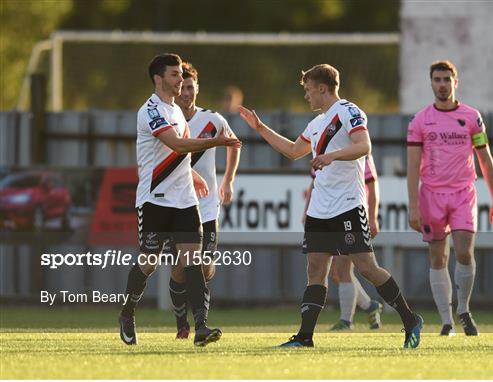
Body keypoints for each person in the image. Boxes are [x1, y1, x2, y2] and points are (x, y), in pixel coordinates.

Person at [239, 64, 423, 349]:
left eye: (308, 90)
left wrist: (332, 156)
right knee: (316, 270)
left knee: (367, 268)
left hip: (348, 205)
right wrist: (260, 127)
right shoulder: (316, 124)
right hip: (319, 210)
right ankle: (305, 337)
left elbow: (364, 147)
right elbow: (291, 150)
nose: (307, 96)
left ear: (322, 88)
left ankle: (410, 320)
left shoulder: (349, 112)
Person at [118, 53, 241, 347]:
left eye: (181, 75)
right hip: (155, 200)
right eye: (174, 75)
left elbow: (178, 155)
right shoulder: (150, 111)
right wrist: (216, 141)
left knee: (193, 261)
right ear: (159, 79)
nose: (180, 80)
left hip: (185, 201)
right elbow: (176, 144)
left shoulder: (175, 110)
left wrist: (194, 176)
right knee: (148, 263)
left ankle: (201, 328)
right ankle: (127, 312)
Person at [407, 60, 493, 336]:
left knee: (464, 252)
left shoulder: (472, 117)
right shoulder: (420, 121)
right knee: (438, 257)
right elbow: (413, 165)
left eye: (447, 79)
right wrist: (413, 205)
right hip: (431, 195)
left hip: (463, 193)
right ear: (431, 83)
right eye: (437, 79)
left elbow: (485, 158)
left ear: (455, 82)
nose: (442, 84)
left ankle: (463, 309)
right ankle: (446, 321)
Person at [169, 61, 241, 339]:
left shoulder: (213, 120)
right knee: (179, 270)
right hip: (177, 206)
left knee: (204, 267)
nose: (186, 92)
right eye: (182, 87)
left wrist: (229, 179)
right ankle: (183, 325)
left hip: (207, 207)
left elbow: (234, 144)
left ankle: (200, 324)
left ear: (197, 88)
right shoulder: (167, 121)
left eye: (190, 87)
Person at [304, 156, 383, 331]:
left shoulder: (358, 149)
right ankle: (370, 306)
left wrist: (373, 217)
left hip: (350, 213)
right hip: (327, 213)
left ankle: (346, 321)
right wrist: (307, 210)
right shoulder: (321, 147)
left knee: (345, 268)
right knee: (338, 274)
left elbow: (372, 183)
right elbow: (314, 183)